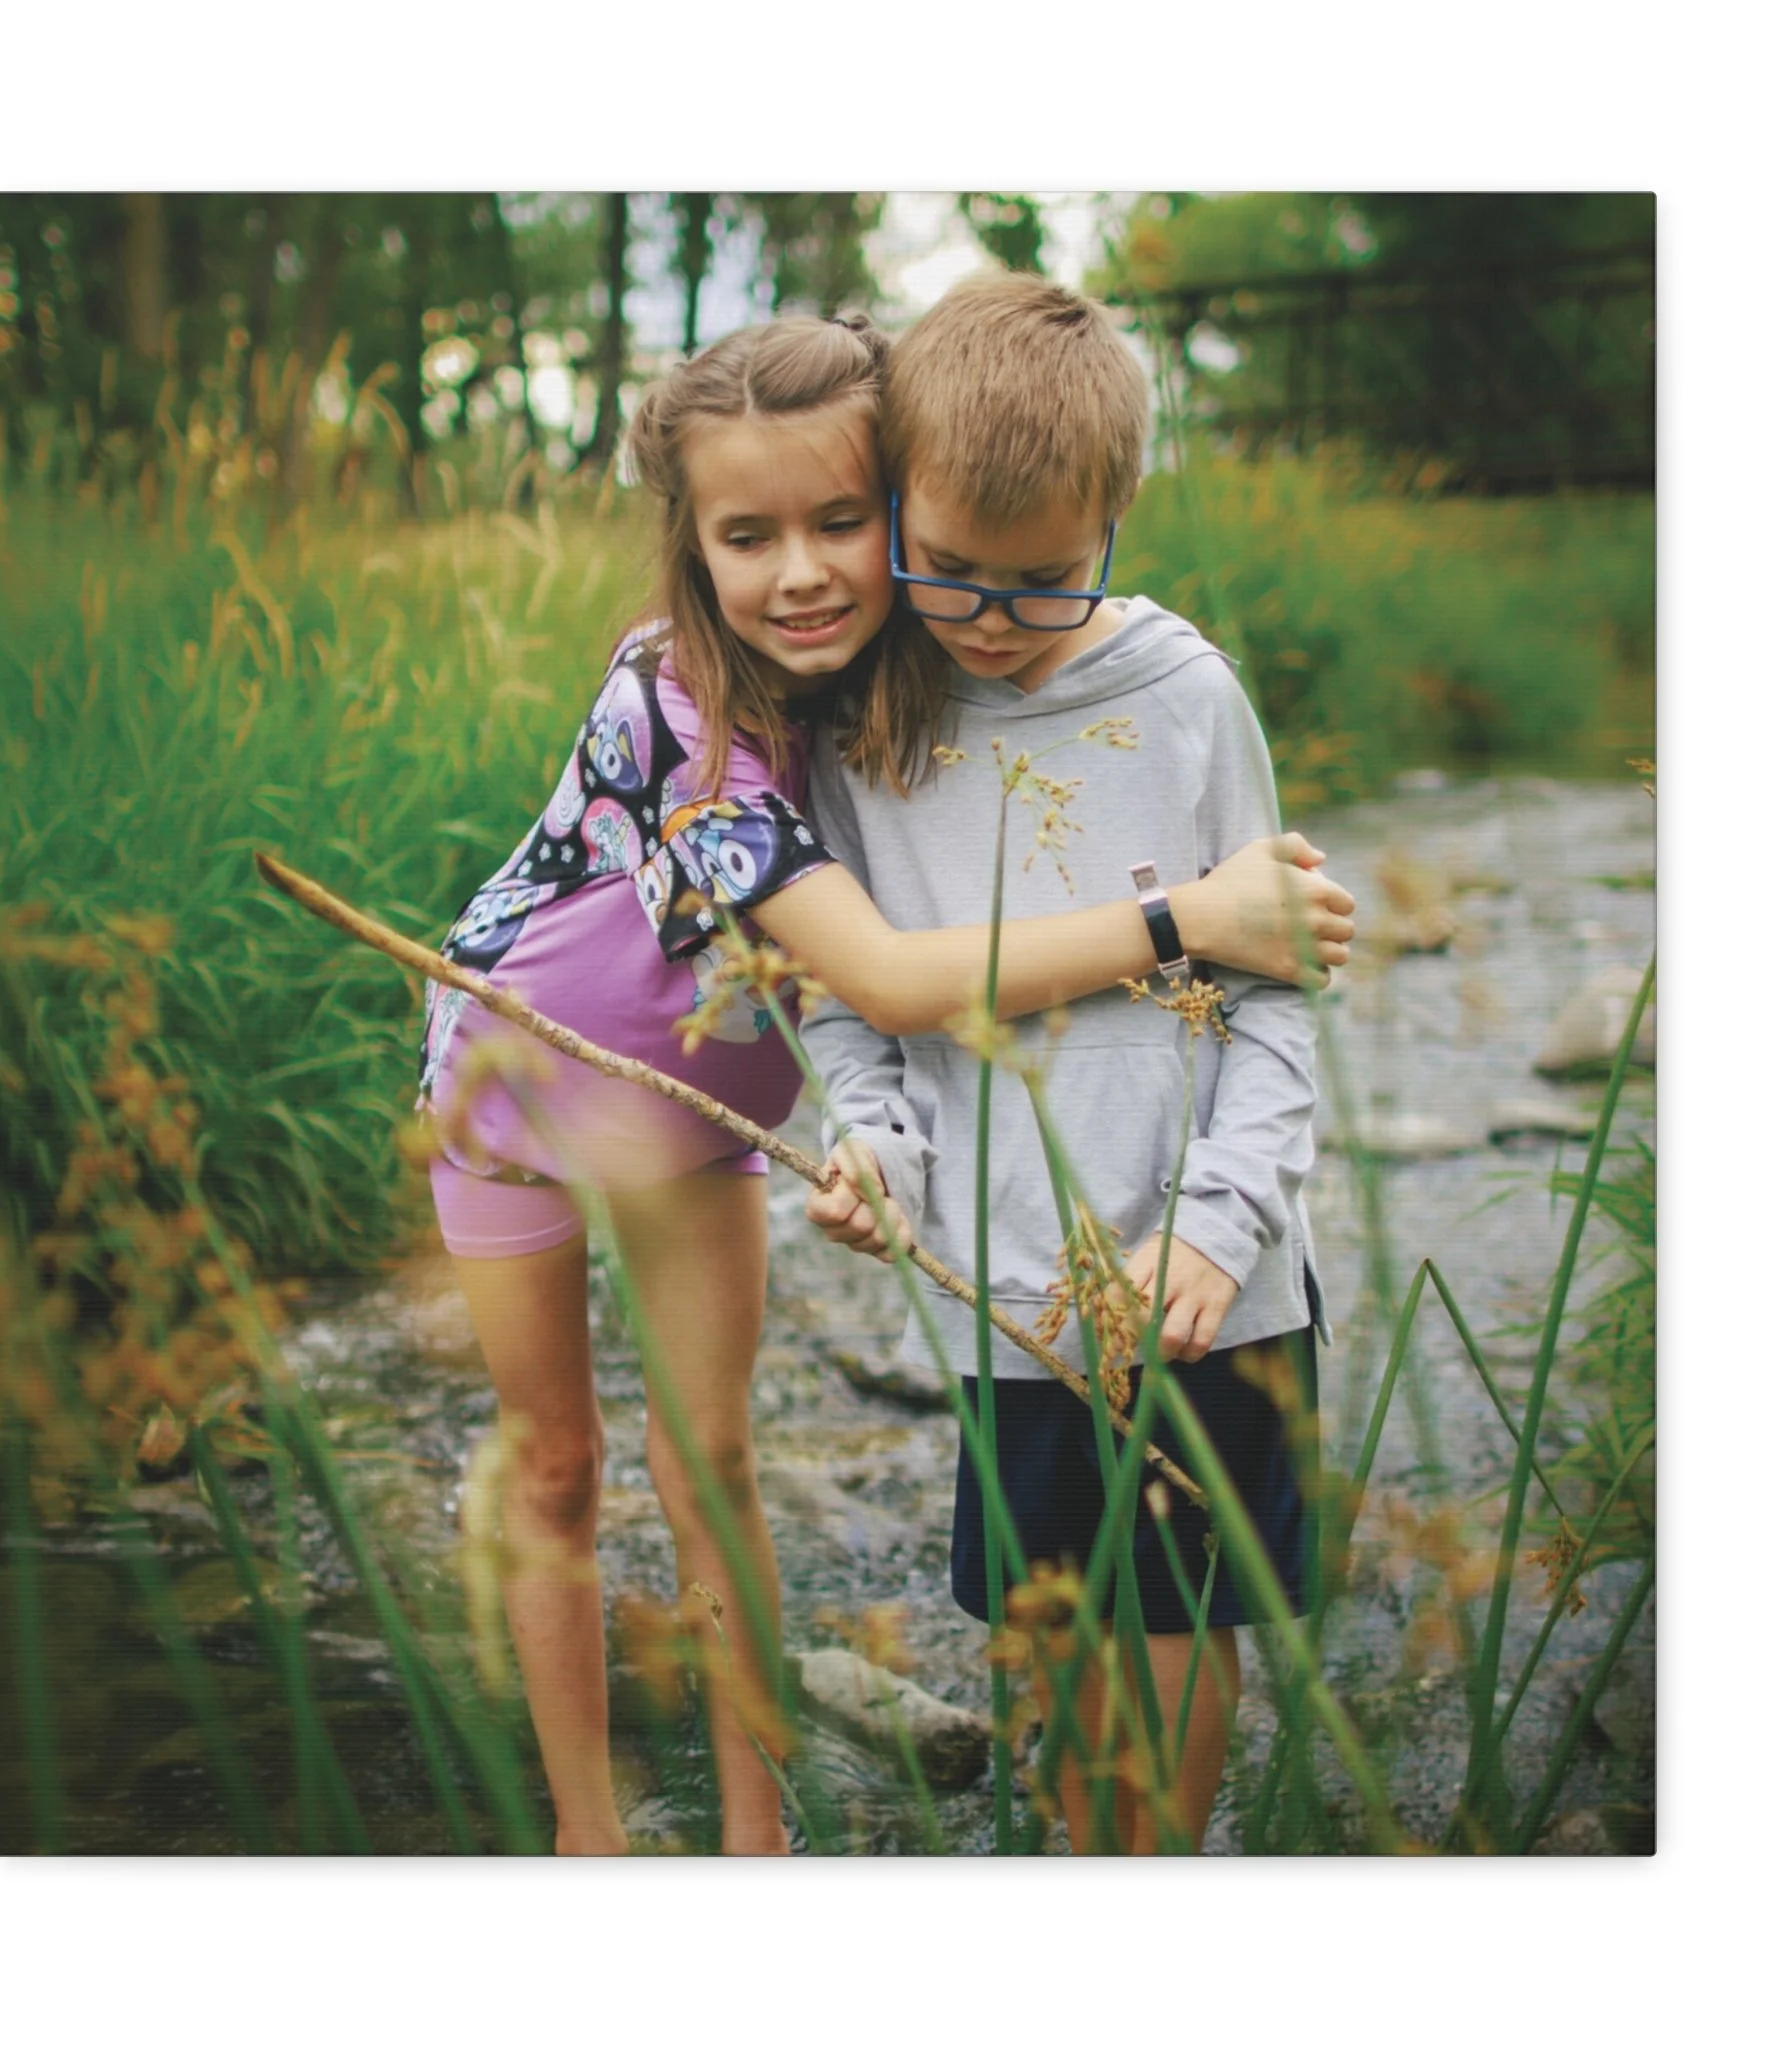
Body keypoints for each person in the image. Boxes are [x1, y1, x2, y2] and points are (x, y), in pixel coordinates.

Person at [421, 312, 1353, 1855]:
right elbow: (892, 986)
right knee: (560, 1462)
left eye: (843, 521)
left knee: (713, 1459)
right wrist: (1190, 918)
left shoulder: (929, 655)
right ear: (690, 537)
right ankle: (587, 1836)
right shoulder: (683, 717)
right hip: (519, 1075)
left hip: (712, 1111)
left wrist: (901, 1141)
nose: (803, 572)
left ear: (901, 504)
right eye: (748, 535)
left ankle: (757, 1841)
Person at [801, 271, 1328, 1854]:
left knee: (1172, 1625)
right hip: (1007, 1285)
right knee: (1054, 1622)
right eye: (948, 568)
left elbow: (1278, 991)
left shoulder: (1185, 699)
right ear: (899, 502)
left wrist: (1218, 1229)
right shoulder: (867, 719)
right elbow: (854, 1001)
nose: (985, 616)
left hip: (1197, 1282)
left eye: (1041, 582)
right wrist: (879, 1147)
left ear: (1114, 521)